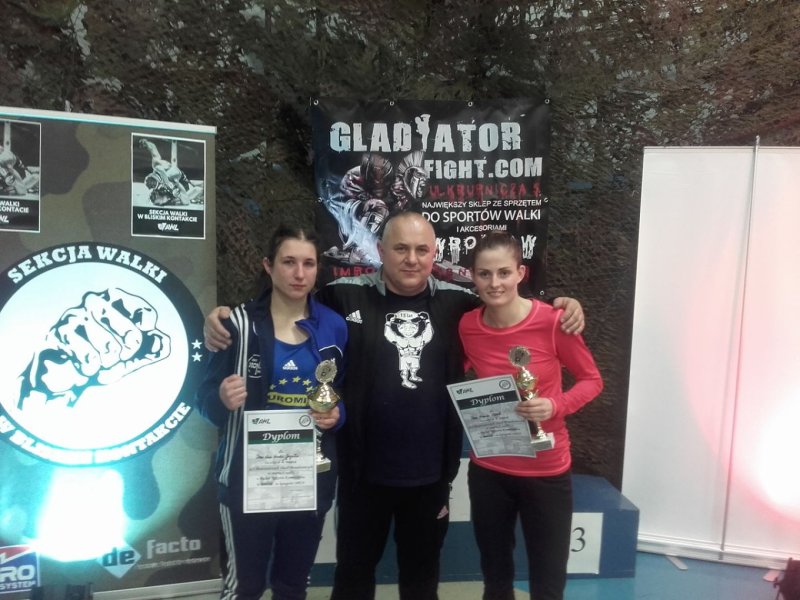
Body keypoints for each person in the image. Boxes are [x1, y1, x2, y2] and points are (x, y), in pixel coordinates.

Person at [204, 212, 586, 600]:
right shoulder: (343, 294)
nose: (411, 259)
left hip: (430, 477)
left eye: (421, 250)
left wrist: (558, 303)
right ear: (380, 250)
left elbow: (505, 299)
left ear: (434, 253)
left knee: (421, 581)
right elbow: (288, 301)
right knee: (352, 578)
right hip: (361, 475)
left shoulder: (458, 302)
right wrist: (227, 318)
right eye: (401, 248)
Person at [195, 223, 347, 600]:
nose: (299, 274)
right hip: (249, 481)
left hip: (308, 478)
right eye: (288, 262)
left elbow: (343, 393)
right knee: (245, 587)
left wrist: (337, 415)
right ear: (269, 265)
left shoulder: (334, 326)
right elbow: (203, 400)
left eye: (308, 264)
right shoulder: (237, 325)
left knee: (292, 586)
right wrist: (221, 398)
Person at [458, 231, 603, 600]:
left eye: (504, 272)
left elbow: (592, 380)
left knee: (548, 584)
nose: (495, 283)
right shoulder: (467, 326)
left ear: (521, 273)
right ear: (472, 276)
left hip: (546, 471)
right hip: (489, 469)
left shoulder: (554, 321)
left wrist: (555, 406)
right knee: (495, 581)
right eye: (485, 274)